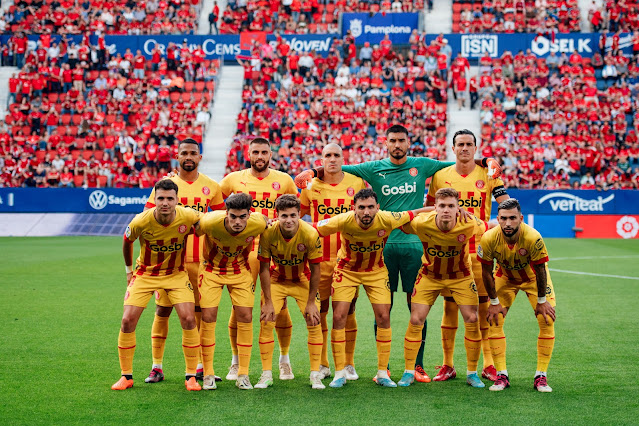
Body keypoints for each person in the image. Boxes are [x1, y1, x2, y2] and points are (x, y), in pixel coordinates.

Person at [295, 125, 501, 383]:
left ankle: (417, 365)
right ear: (386, 143)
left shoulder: (421, 165)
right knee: (384, 309)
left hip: (415, 245)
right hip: (384, 248)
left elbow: (459, 160)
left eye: (401, 140)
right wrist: (313, 171)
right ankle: (386, 368)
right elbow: (339, 168)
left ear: (408, 142)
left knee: (416, 308)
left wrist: (486, 160)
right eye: (392, 140)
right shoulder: (373, 168)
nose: (397, 144)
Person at [315, 188, 430, 388]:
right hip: (347, 270)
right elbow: (314, 228)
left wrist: (440, 209)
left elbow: (418, 212)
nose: (366, 212)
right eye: (361, 208)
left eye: (370, 207)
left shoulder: (387, 218)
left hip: (376, 271)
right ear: (354, 209)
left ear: (377, 207)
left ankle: (382, 373)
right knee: (339, 316)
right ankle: (340, 373)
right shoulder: (343, 219)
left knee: (384, 317)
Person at [426, 129, 509, 383]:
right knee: (450, 308)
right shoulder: (440, 176)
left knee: (484, 308)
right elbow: (430, 209)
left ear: (475, 148)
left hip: (481, 252)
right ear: (453, 149)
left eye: (469, 144)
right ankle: (448, 364)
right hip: (451, 254)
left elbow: (506, 206)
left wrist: (496, 226)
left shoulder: (488, 173)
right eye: (460, 144)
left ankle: (488, 364)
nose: (464, 148)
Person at [142, 138, 225, 384]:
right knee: (163, 310)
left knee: (198, 313)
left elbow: (220, 222)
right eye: (184, 153)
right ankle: (157, 366)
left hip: (200, 262)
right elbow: (148, 218)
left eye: (193, 153)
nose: (188, 157)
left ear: (200, 157)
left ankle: (200, 366)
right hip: (171, 262)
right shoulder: (165, 186)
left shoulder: (212, 186)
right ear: (177, 156)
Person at [112, 179, 203, 391]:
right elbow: (127, 241)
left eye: (169, 199)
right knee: (127, 320)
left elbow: (205, 224)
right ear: (154, 199)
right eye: (160, 198)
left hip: (176, 273)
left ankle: (190, 376)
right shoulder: (140, 221)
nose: (165, 203)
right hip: (145, 274)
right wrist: (128, 272)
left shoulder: (188, 215)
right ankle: (126, 376)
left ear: (176, 200)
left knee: (189, 318)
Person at [220, 137, 298, 382]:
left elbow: (294, 214)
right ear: (248, 153)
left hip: (274, 253)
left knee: (279, 308)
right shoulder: (233, 179)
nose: (260, 156)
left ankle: (284, 360)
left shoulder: (284, 180)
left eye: (264, 151)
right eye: (256, 152)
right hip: (242, 252)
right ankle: (235, 362)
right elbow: (211, 200)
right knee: (239, 308)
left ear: (271, 154)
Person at [397, 188, 488, 388]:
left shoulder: (470, 223)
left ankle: (472, 373)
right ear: (435, 207)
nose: (446, 210)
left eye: (451, 206)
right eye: (442, 206)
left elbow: (492, 227)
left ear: (458, 208)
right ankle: (408, 371)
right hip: (430, 276)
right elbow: (401, 222)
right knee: (415, 319)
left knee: (472, 319)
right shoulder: (422, 223)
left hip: (460, 277)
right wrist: (427, 208)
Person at [299, 143, 367, 380]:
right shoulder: (311, 185)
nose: (332, 159)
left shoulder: (356, 183)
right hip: (319, 259)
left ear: (343, 158)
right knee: (322, 310)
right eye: (327, 155)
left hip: (348, 259)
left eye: (336, 155)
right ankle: (324, 363)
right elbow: (297, 217)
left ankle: (349, 363)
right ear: (321, 159)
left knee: (348, 310)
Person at [478, 199, 557, 392]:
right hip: (505, 278)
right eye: (503, 218)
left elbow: (540, 271)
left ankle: (541, 376)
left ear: (520, 218)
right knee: (494, 319)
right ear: (497, 218)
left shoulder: (533, 237)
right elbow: (486, 272)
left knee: (546, 319)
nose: (508, 223)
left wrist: (541, 301)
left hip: (532, 278)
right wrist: (494, 302)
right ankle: (501, 375)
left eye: (512, 218)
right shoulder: (488, 238)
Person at [196, 193, 269, 390]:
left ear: (249, 214)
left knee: (245, 316)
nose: (237, 222)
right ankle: (208, 374)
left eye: (242, 217)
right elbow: (191, 228)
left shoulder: (259, 222)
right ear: (226, 213)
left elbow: (269, 224)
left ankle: (243, 374)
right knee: (208, 316)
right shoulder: (210, 222)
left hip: (240, 271)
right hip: (212, 270)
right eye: (233, 216)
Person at [256, 195, 325, 389]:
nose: (289, 220)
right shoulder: (268, 233)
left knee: (314, 319)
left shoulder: (310, 234)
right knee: (267, 318)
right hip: (277, 279)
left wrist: (311, 302)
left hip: (301, 279)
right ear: (276, 215)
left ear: (299, 215)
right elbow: (263, 268)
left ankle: (314, 374)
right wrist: (268, 300)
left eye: (293, 215)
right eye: (284, 215)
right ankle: (267, 374)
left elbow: (316, 270)